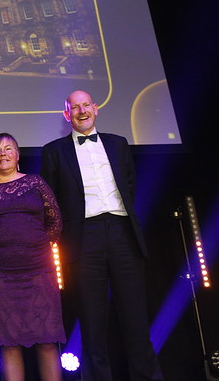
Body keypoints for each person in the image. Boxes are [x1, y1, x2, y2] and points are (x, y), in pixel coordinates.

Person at [40, 90, 162, 381]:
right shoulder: (54, 151)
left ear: (95, 109)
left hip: (122, 233)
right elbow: (50, 199)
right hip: (83, 238)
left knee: (135, 318)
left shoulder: (118, 144)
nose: (82, 111)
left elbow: (130, 185)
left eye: (86, 105)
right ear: (66, 114)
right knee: (93, 322)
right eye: (75, 107)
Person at [0, 133, 64, 381]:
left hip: (39, 271)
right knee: (8, 343)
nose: (3, 153)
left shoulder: (35, 183)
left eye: (8, 148)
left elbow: (55, 221)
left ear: (17, 154)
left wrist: (38, 247)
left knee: (47, 339)